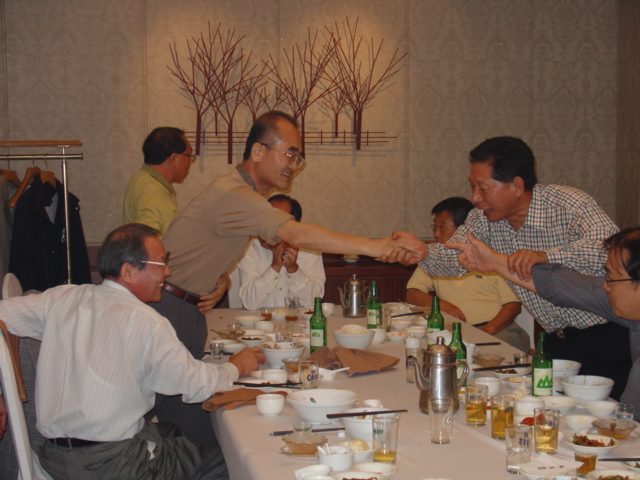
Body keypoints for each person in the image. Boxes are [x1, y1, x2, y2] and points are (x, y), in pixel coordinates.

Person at [148, 111, 425, 442]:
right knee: (184, 427)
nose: (294, 165)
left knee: (192, 421)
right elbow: (297, 234)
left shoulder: (241, 193)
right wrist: (378, 246)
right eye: (289, 154)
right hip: (168, 307)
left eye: (298, 157)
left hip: (185, 305)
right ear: (258, 151)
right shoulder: (234, 193)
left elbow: (204, 245)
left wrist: (219, 279)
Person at [0, 223, 265, 480]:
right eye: (161, 264)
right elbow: (196, 385)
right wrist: (237, 367)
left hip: (54, 457)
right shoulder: (146, 321)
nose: (168, 273)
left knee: (171, 431)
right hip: (113, 464)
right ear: (128, 271)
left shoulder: (62, 298)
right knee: (235, 462)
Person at [395, 136, 630, 399]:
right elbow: (455, 258)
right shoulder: (483, 219)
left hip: (609, 336)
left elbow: (610, 251)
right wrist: (424, 252)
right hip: (556, 340)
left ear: (517, 185)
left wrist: (546, 256)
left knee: (614, 416)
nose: (475, 198)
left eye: (483, 188)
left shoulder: (570, 204)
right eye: (472, 187)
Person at [449, 227, 640, 419]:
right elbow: (568, 287)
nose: (605, 286)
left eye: (611, 278)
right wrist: (494, 262)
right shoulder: (629, 312)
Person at [122, 126, 229, 313]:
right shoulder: (152, 191)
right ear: (173, 158)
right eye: (189, 156)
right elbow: (148, 252)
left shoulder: (146, 182)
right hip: (160, 293)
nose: (190, 162)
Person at [405, 197, 528, 352]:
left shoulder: (490, 256)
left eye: (442, 227)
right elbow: (412, 293)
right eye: (434, 227)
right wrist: (441, 305)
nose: (436, 234)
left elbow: (513, 306)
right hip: (456, 332)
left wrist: (485, 331)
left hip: (496, 329)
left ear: (464, 230)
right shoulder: (436, 259)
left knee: (483, 355)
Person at [237, 194, 325, 309]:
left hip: (299, 319)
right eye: (265, 220)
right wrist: (275, 267)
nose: (267, 229)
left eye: (276, 224)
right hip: (261, 319)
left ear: (293, 228)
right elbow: (249, 303)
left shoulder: (310, 249)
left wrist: (293, 270)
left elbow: (314, 302)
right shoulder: (249, 248)